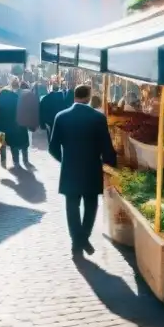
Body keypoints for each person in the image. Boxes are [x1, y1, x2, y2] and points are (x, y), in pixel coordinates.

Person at [49, 84, 118, 256]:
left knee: (71, 206)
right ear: (88, 97)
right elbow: (106, 147)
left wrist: (64, 160)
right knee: (91, 204)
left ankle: (76, 241)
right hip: (91, 168)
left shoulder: (61, 116)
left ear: (74, 96)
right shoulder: (98, 118)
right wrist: (112, 164)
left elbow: (53, 148)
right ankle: (83, 238)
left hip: (70, 168)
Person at [0, 78, 29, 168]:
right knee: (14, 145)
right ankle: (16, 162)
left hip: (1, 126)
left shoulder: (0, 100)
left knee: (2, 144)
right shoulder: (15, 98)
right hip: (13, 125)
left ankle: (3, 162)